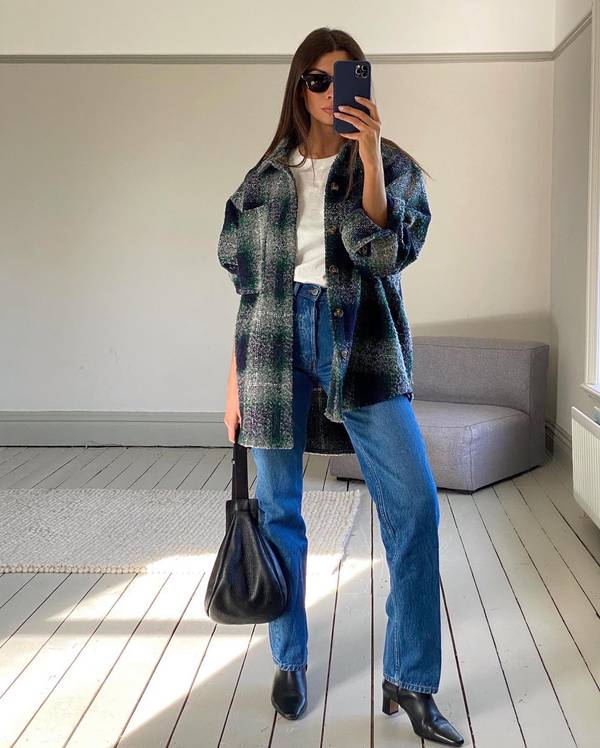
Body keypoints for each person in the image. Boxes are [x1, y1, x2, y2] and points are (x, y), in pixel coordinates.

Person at [218, 27, 464, 747]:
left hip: (361, 344)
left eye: (344, 78)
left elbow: (383, 255)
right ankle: (289, 659)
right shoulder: (263, 179)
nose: (330, 93)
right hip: (271, 348)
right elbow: (247, 288)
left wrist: (370, 157)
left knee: (414, 507)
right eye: (317, 81)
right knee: (280, 512)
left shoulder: (389, 166)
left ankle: (410, 679)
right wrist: (233, 381)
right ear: (299, 90)